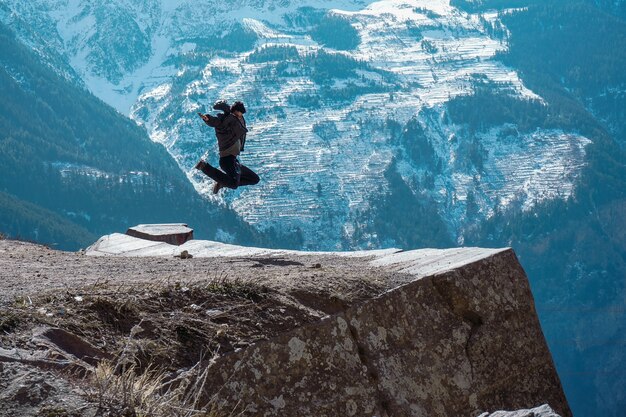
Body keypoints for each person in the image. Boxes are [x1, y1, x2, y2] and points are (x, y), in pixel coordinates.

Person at [195, 100, 260, 194]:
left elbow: (237, 119)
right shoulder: (225, 122)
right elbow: (217, 122)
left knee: (254, 179)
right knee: (234, 184)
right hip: (227, 161)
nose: (241, 115)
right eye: (240, 112)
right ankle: (204, 167)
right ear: (236, 111)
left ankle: (223, 183)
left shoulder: (237, 121)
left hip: (234, 161)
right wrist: (207, 119)